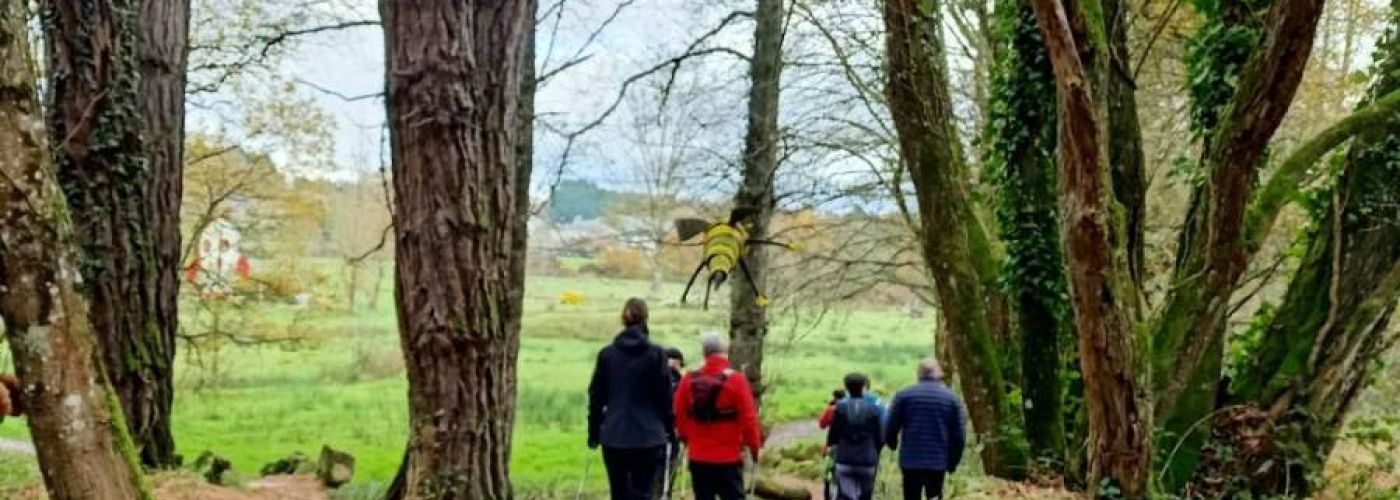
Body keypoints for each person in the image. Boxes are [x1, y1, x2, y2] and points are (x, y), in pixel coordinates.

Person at [588, 298, 675, 500]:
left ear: (623, 320)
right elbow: (665, 397)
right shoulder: (657, 355)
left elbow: (596, 396)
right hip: (648, 435)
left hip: (615, 434)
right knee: (643, 492)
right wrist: (669, 429)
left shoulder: (607, 355)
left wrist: (594, 432)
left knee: (618, 493)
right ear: (646, 319)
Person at [674, 332, 762, 500]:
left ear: (704, 353)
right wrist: (755, 447)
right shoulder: (737, 380)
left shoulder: (688, 379)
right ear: (726, 351)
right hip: (728, 458)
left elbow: (679, 414)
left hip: (698, 456)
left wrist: (687, 437)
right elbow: (749, 420)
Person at [885, 359, 965, 500]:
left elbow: (891, 425)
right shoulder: (951, 399)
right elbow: (958, 435)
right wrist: (953, 462)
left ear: (918, 374)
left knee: (911, 495)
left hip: (910, 460)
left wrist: (892, 443)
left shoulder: (904, 396)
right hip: (937, 461)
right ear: (938, 374)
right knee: (934, 495)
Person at [826, 373, 885, 500]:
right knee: (865, 496)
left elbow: (833, 434)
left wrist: (831, 446)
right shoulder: (873, 409)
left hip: (844, 459)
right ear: (864, 387)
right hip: (867, 460)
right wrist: (877, 452)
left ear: (846, 388)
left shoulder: (840, 407)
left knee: (845, 495)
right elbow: (879, 437)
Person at [660, 347, 686, 498]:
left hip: (653, 431)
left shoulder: (653, 378)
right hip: (673, 430)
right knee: (670, 467)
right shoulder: (681, 381)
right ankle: (666, 493)